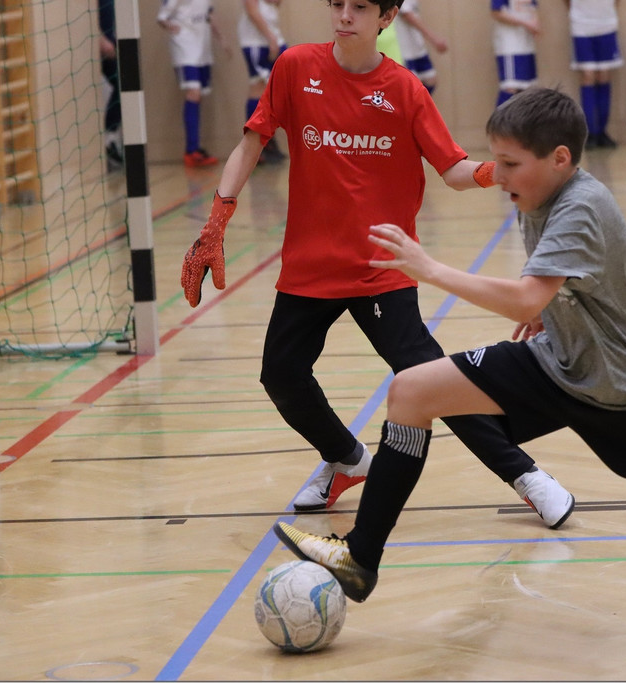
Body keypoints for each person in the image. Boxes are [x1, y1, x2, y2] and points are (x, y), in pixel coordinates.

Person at [274, 86, 626, 603]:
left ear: (560, 159)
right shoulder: (534, 194)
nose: (498, 175)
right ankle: (360, 557)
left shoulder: (581, 205)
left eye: (510, 164)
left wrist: (430, 268)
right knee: (412, 391)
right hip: (561, 364)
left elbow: (523, 299)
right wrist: (555, 310)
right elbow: (575, 282)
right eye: (496, 161)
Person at [179, 0, 575, 528]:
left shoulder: (405, 90)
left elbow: (452, 168)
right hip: (311, 264)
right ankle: (346, 459)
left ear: (386, 17)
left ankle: (527, 476)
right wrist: (216, 222)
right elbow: (251, 143)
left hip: (382, 265)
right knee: (281, 373)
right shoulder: (295, 67)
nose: (345, 15)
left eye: (360, 7)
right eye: (337, 4)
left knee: (429, 379)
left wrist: (496, 172)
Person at [157, 0, 227, 168]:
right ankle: (191, 150)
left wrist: (221, 38)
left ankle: (195, 148)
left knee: (198, 96)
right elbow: (162, 17)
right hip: (184, 48)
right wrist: (171, 27)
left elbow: (209, 14)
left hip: (203, 49)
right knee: (193, 93)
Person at [564, 0, 621, 149]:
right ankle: (590, 133)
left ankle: (602, 131)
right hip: (581, 25)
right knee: (587, 75)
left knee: (604, 75)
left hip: (606, 23)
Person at [238, 0, 288, 164]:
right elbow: (252, 11)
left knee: (278, 90)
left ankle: (267, 139)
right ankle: (254, 143)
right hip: (257, 43)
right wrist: (270, 38)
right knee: (258, 88)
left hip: (274, 39)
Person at [490, 0, 540, 108]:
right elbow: (496, 12)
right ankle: (500, 119)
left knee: (527, 88)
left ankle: (524, 119)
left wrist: (535, 24)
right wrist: (526, 23)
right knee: (510, 87)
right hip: (510, 46)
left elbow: (533, 8)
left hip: (527, 44)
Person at [392, 0, 448, 95]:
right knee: (410, 87)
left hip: (417, 47)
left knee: (430, 80)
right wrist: (434, 39)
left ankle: (418, 103)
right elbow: (407, 15)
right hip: (405, 50)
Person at [97, 0, 122, 172]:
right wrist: (100, 39)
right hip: (98, 45)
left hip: (110, 42)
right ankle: (108, 138)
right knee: (121, 83)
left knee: (123, 85)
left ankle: (110, 139)